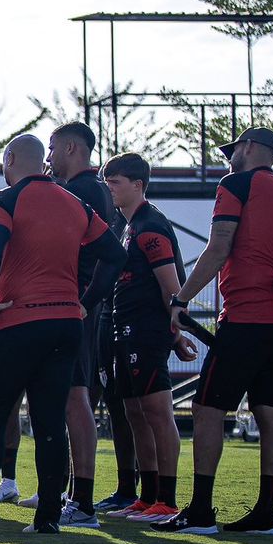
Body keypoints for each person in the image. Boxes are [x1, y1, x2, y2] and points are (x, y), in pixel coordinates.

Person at [0, 134, 125, 535]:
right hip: (66, 324)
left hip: (17, 321)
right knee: (49, 421)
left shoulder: (4, 200)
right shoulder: (75, 203)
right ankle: (48, 517)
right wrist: (86, 300)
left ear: (10, 158)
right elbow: (116, 254)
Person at [156, 128, 273, 535]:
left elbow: (218, 246)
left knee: (207, 408)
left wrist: (180, 300)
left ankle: (200, 512)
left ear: (248, 149)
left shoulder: (236, 183)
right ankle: (265, 514)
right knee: (271, 413)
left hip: (248, 316)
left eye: (232, 150)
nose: (228, 158)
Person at [42, 121, 131, 520]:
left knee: (76, 395)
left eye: (52, 148)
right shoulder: (77, 189)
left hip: (74, 305)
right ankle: (67, 494)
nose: (48, 158)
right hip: (66, 303)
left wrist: (85, 301)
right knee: (66, 396)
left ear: (73, 148)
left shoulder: (86, 191)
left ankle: (82, 500)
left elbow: (107, 255)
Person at [101, 152, 193, 523]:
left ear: (138, 185)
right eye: (107, 182)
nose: (110, 189)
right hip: (125, 330)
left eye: (116, 182)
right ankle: (147, 495)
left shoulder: (150, 225)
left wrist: (175, 334)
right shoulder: (128, 225)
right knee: (134, 411)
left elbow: (172, 288)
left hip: (146, 332)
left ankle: (166, 501)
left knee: (157, 412)